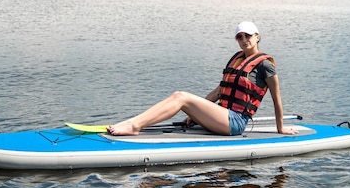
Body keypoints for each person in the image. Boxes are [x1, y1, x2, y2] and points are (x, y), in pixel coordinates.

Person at [107, 21, 298, 136]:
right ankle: (133, 122)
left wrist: (280, 128)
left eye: (248, 35)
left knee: (180, 97)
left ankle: (134, 126)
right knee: (179, 97)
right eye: (239, 37)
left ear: (257, 37)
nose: (243, 39)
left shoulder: (265, 65)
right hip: (222, 116)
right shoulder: (237, 60)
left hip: (236, 122)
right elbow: (217, 93)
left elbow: (276, 100)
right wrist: (195, 114)